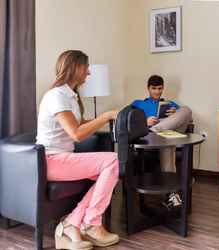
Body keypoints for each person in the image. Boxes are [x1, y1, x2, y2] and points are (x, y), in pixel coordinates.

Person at [36, 50, 119, 250]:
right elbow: (76, 133)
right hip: (50, 160)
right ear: (74, 68)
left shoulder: (70, 96)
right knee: (114, 160)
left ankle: (70, 224)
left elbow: (80, 124)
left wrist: (112, 118)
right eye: (86, 67)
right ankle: (91, 222)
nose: (88, 73)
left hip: (64, 158)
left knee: (110, 170)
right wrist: (106, 115)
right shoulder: (56, 95)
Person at [132, 75, 192, 210]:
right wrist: (145, 121)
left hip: (167, 133)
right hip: (150, 139)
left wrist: (174, 114)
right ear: (148, 88)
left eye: (160, 88)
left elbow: (186, 118)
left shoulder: (170, 104)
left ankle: (158, 129)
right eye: (154, 88)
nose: (157, 92)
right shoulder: (138, 103)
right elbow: (128, 120)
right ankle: (172, 195)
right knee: (168, 144)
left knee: (186, 110)